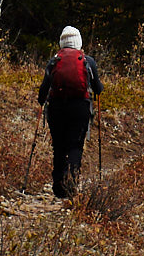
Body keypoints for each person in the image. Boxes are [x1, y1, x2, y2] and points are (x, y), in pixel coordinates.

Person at [35, 26, 103, 198]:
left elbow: (43, 92)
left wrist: (42, 102)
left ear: (62, 43)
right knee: (75, 145)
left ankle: (58, 186)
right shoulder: (88, 61)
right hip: (80, 108)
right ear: (78, 42)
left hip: (57, 108)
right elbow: (98, 89)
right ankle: (71, 183)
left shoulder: (54, 60)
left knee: (58, 145)